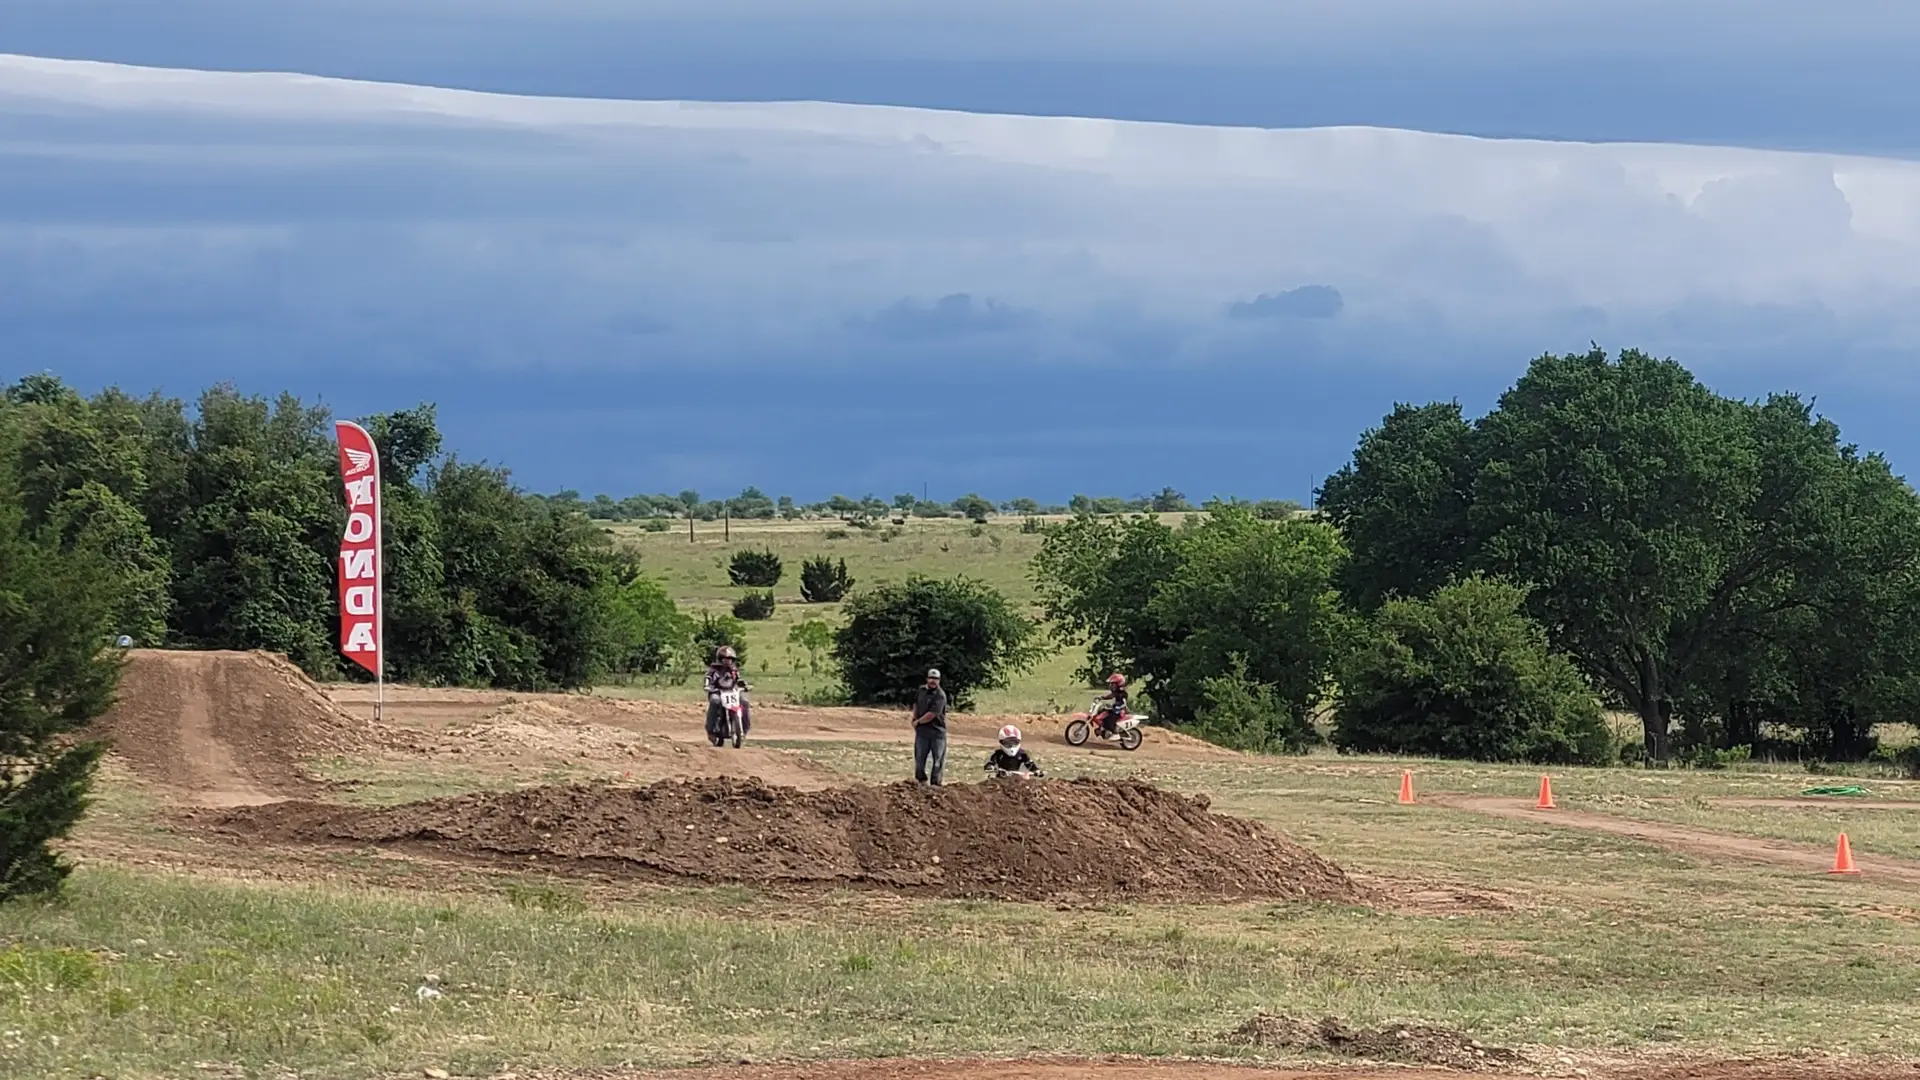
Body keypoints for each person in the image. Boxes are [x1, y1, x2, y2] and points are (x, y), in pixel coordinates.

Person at [704, 645, 751, 739]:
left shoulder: (733, 671)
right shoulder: (713, 670)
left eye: (730, 659)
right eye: (725, 659)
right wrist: (708, 686)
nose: (728, 661)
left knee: (745, 701)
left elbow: (738, 680)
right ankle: (711, 729)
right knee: (715, 701)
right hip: (717, 692)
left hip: (732, 693)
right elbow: (708, 679)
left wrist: (744, 685)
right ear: (720, 659)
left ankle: (744, 728)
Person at [911, 668, 948, 786]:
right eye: (931, 678)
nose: (933, 681)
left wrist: (918, 722)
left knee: (937, 761)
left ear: (939, 681)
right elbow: (916, 703)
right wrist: (914, 717)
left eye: (936, 679)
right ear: (927, 679)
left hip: (937, 733)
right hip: (922, 732)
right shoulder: (921, 690)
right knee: (919, 760)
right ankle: (921, 781)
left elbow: (932, 714)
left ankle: (935, 785)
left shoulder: (940, 695)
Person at [1092, 672, 1129, 738]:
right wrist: (1102, 697)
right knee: (1101, 712)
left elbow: (1124, 703)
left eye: (1113, 684)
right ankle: (1102, 729)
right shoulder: (1117, 692)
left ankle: (1112, 732)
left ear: (1119, 684)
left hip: (1120, 711)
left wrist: (1116, 707)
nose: (1111, 686)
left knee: (1109, 719)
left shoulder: (1123, 693)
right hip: (1115, 709)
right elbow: (1111, 696)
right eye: (1111, 684)